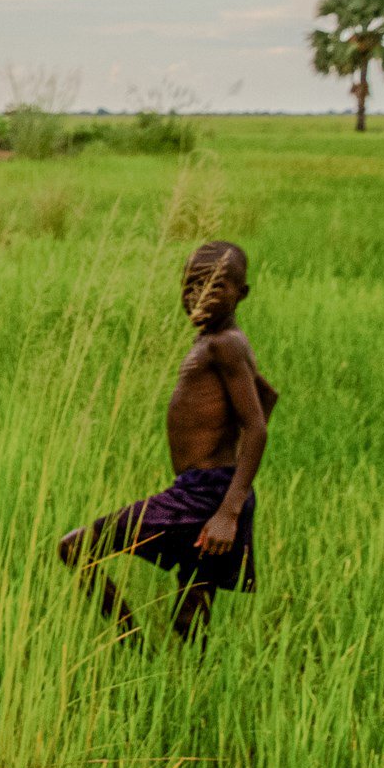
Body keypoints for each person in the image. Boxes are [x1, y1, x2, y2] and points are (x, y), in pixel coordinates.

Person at [58, 241, 278, 640]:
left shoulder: (223, 344)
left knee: (74, 547)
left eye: (216, 287)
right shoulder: (222, 340)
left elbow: (257, 426)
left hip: (205, 497)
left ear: (242, 293)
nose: (200, 295)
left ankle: (133, 645)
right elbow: (267, 397)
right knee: (189, 618)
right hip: (209, 491)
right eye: (192, 285)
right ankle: (188, 687)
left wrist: (227, 511)